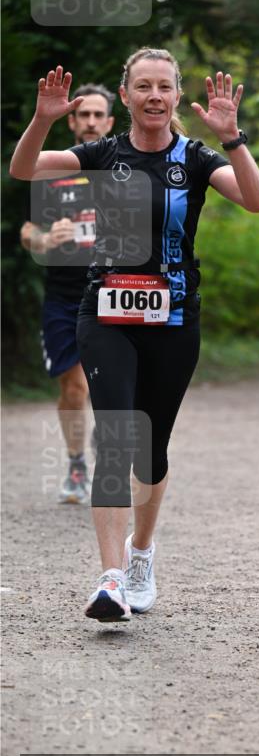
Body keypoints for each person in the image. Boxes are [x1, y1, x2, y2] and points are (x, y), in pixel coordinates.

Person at [10, 51, 259, 623]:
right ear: (125, 95)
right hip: (104, 315)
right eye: (143, 86)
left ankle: (141, 555)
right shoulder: (102, 154)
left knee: (151, 450)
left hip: (174, 320)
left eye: (165, 87)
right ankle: (109, 579)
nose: (155, 95)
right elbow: (24, 169)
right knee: (118, 438)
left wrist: (233, 137)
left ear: (177, 98)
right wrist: (42, 119)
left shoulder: (196, 159)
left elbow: (257, 200)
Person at [20, 84, 115, 504]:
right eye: (84, 115)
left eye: (99, 115)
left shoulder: (124, 169)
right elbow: (27, 230)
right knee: (74, 387)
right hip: (63, 296)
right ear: (72, 121)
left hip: (114, 292)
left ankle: (106, 444)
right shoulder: (56, 170)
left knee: (112, 386)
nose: (91, 121)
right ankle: (77, 463)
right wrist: (44, 238)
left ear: (110, 122)